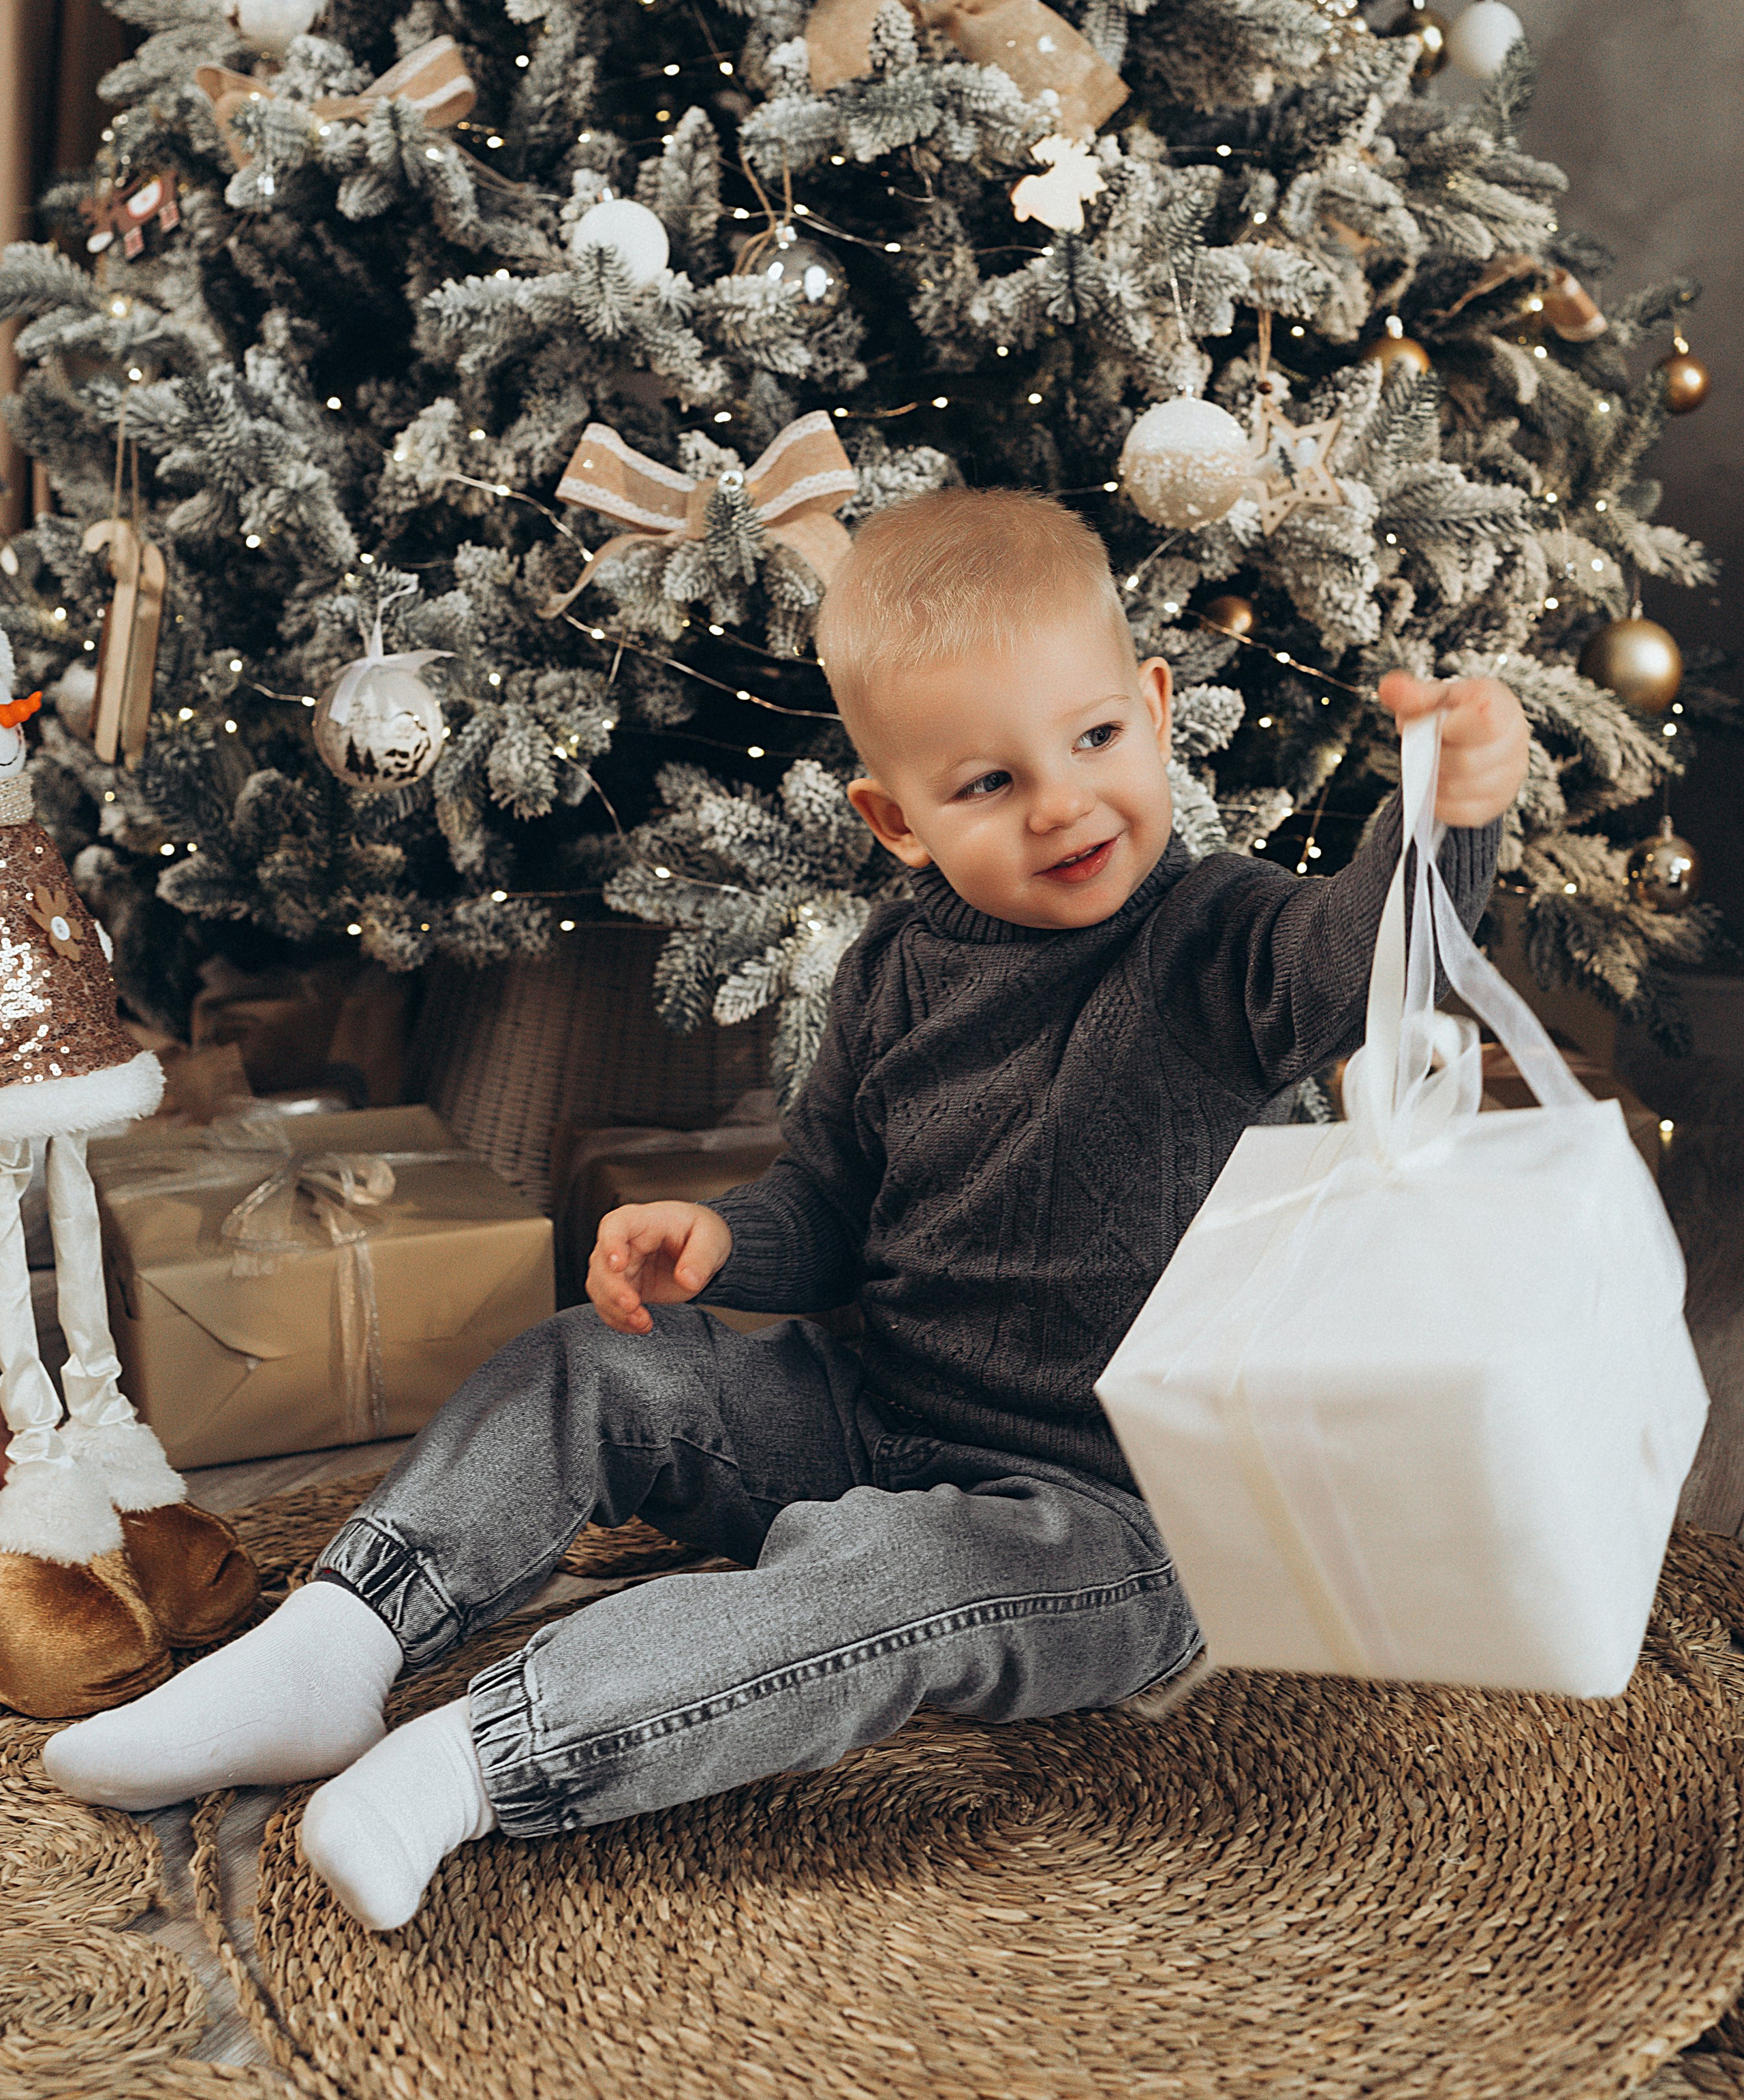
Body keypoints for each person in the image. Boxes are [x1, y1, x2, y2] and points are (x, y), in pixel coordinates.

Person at [44, 489, 1531, 1930]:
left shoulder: (1223, 943)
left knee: (875, 1583)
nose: (1063, 799)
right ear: (894, 817)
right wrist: (726, 1240)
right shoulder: (894, 967)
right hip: (868, 1400)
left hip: (1112, 1509)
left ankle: (487, 1755)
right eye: (987, 781)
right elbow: (829, 1191)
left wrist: (1443, 816)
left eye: (1090, 737)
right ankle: (337, 1641)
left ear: (1152, 707)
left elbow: (1366, 956)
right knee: (581, 1362)